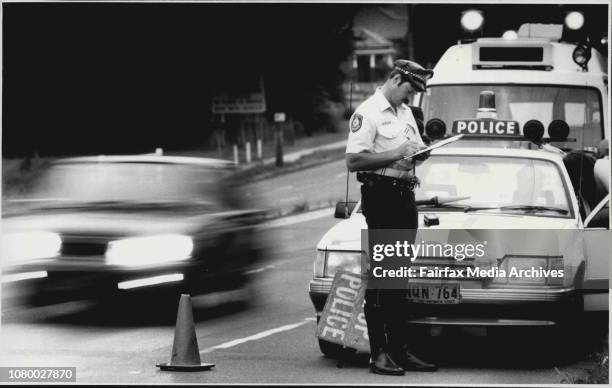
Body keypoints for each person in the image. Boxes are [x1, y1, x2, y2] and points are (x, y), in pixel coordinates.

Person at [345, 59, 437, 375]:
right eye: (409, 90)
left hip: (404, 195)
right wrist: (396, 154)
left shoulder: (405, 113)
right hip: (380, 195)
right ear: (396, 79)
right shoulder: (367, 113)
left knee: (399, 278)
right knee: (382, 278)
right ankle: (379, 353)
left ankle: (400, 349)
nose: (410, 98)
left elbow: (413, 149)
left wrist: (420, 153)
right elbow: (354, 159)